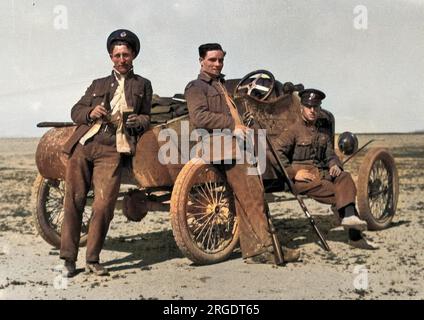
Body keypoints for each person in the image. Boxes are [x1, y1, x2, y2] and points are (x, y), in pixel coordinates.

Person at [184, 43, 300, 264]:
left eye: (220, 60)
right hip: (221, 147)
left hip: (234, 145)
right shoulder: (196, 87)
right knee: (253, 197)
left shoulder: (221, 86)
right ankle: (267, 249)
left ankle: (256, 250)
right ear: (201, 61)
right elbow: (199, 117)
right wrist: (231, 124)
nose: (217, 64)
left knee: (249, 196)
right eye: (212, 60)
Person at [60, 29, 153, 277]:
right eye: (117, 55)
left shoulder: (142, 84)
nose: (121, 59)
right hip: (85, 145)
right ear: (111, 57)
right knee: (74, 200)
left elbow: (147, 117)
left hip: (113, 149)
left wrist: (137, 121)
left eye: (126, 54)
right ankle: (68, 259)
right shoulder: (98, 84)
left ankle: (92, 259)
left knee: (103, 205)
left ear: (133, 55)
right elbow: (75, 111)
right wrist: (90, 114)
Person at [274, 88, 378, 250]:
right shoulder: (293, 130)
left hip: (320, 174)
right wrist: (294, 173)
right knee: (341, 194)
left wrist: (334, 164)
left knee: (344, 177)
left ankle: (349, 217)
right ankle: (355, 237)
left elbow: (330, 153)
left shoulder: (321, 132)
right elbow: (275, 152)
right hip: (303, 179)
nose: (312, 110)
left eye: (316, 107)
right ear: (302, 107)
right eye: (309, 107)